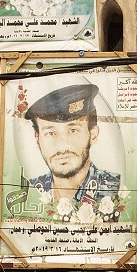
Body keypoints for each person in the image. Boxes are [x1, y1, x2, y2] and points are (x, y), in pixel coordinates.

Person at [17, 83, 124, 222]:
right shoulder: (31, 191)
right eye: (50, 133)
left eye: (73, 130)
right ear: (37, 140)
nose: (62, 146)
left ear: (93, 135)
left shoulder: (117, 190)